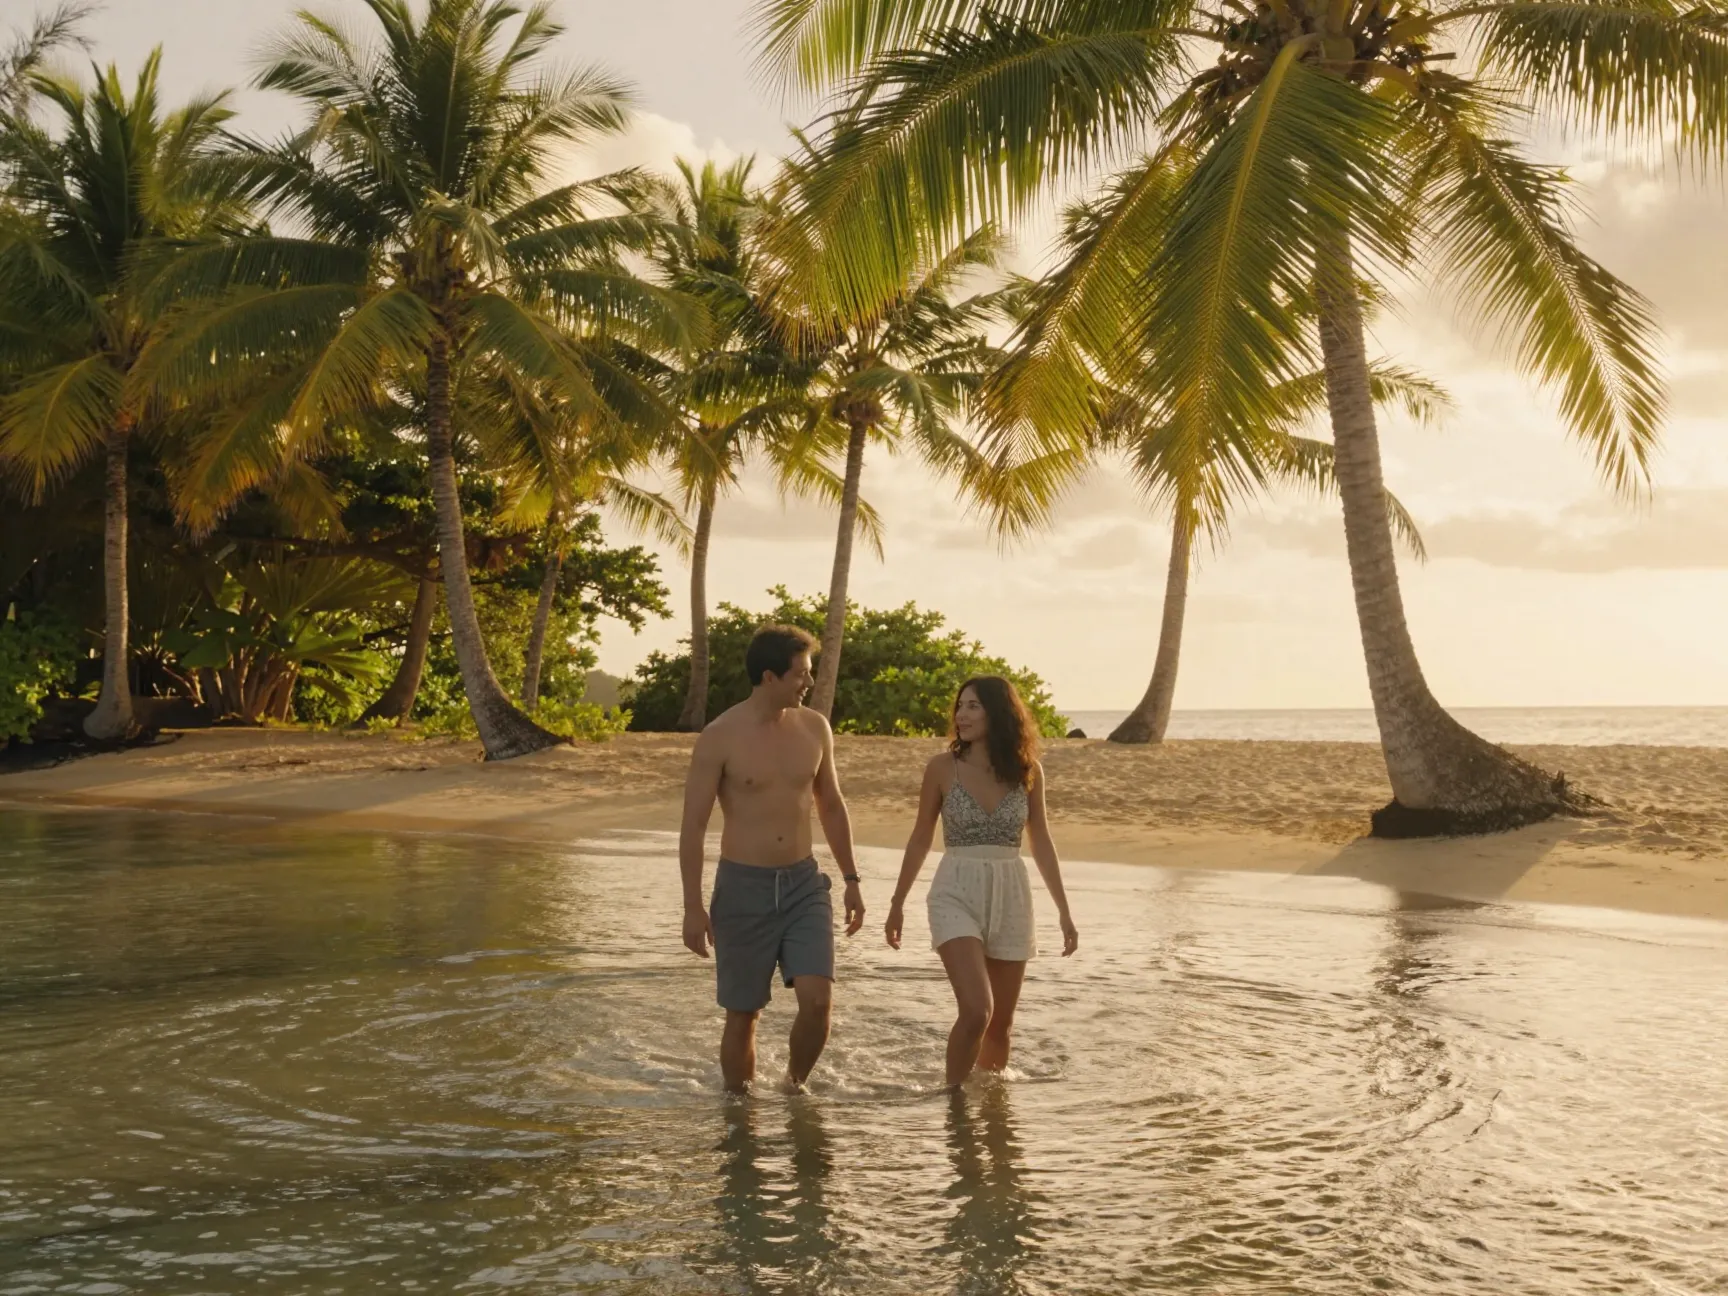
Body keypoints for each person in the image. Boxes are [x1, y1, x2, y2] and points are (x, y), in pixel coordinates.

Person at [680, 624, 866, 1093]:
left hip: (804, 885)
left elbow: (832, 805)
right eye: (800, 673)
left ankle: (793, 1088)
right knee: (743, 1014)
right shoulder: (719, 737)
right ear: (769, 677)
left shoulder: (815, 728)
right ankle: (740, 1116)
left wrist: (851, 879)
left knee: (818, 1001)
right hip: (743, 888)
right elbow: (694, 826)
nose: (808, 682)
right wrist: (692, 907)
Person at [884, 676, 1078, 1089]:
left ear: (999, 713)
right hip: (955, 890)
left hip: (1011, 893)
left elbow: (1041, 840)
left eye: (973, 706)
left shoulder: (1028, 771)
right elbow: (920, 837)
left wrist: (1064, 911)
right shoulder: (942, 768)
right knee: (977, 1010)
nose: (962, 715)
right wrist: (897, 903)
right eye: (960, 706)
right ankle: (953, 1102)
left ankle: (991, 1110)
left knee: (1000, 1027)